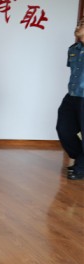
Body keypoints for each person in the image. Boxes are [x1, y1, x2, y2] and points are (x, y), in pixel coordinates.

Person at [57, 17, 84, 180]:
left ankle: (81, 167)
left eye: (82, 24)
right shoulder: (73, 49)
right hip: (72, 95)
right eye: (78, 23)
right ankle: (81, 159)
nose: (78, 26)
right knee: (64, 129)